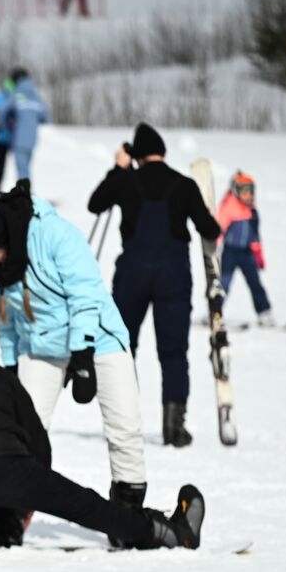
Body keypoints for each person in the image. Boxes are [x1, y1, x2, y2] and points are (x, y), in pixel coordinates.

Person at [0, 182, 150, 537]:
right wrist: (10, 367)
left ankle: (126, 513)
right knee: (21, 434)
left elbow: (86, 294)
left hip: (99, 338)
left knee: (124, 427)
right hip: (41, 346)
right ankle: (11, 516)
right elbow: (5, 322)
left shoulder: (54, 234)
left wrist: (84, 354)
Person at [0, 357, 204, 561]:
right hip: (9, 463)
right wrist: (32, 492)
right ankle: (162, 532)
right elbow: (35, 434)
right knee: (85, 505)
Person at [88, 123, 221, 447]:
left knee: (121, 347)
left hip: (132, 273)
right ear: (162, 152)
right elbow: (211, 229)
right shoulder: (184, 184)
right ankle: (174, 428)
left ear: (137, 154)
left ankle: (123, 422)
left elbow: (96, 204)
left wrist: (118, 169)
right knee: (173, 351)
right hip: (174, 275)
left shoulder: (126, 181)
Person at [216, 171, 275, 326]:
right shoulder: (229, 206)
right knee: (224, 283)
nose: (248, 196)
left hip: (247, 253)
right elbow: (219, 229)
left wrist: (258, 256)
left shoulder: (252, 212)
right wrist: (214, 246)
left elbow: (254, 236)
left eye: (251, 192)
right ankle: (214, 312)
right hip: (230, 252)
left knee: (255, 283)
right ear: (236, 191)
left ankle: (264, 313)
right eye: (244, 192)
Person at [5, 68, 48, 184]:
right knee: (26, 169)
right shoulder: (35, 95)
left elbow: (3, 111)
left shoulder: (17, 93)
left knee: (22, 170)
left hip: (19, 138)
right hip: (32, 138)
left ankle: (24, 196)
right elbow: (45, 117)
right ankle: (26, 193)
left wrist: (7, 124)